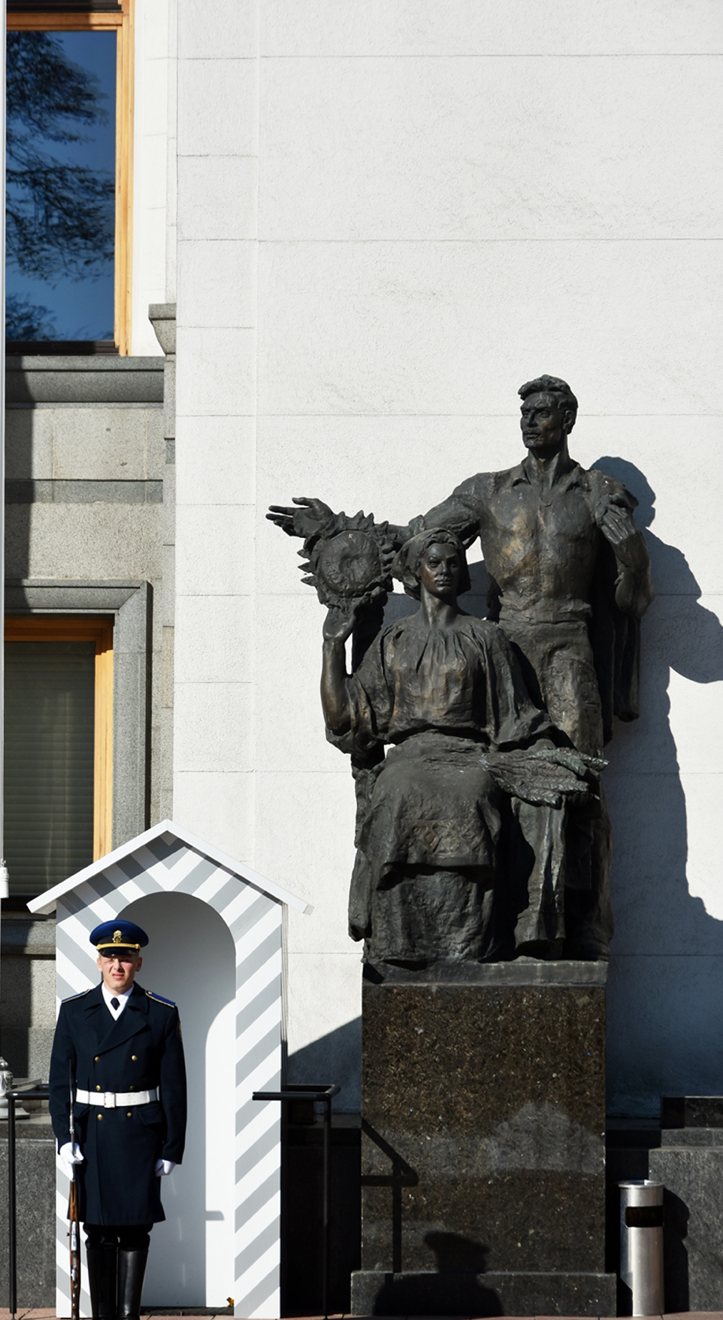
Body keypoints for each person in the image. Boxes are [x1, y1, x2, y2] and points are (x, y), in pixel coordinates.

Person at [269, 374, 653, 957]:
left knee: (580, 786)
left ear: (568, 420)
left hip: (568, 649)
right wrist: (334, 533)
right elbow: (416, 540)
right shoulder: (488, 492)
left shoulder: (598, 493)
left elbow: (632, 602)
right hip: (506, 640)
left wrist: (631, 555)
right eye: (525, 412)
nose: (530, 421)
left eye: (543, 412)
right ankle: (516, 921)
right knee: (501, 786)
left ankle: (582, 926)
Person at [320, 529, 600, 965]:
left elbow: (519, 716)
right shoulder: (393, 641)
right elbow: (344, 720)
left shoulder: (486, 638)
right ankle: (397, 943)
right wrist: (333, 646)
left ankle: (475, 943)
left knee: (471, 798)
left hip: (471, 758)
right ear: (417, 571)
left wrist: (548, 753)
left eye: (453, 563)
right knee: (396, 794)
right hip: (411, 757)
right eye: (434, 563)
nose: (445, 570)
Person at [48, 918, 186, 1320]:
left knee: (135, 1229)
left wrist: (172, 1147)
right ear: (98, 962)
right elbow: (60, 1082)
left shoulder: (160, 1013)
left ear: (138, 963)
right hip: (93, 1135)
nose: (117, 966)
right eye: (109, 957)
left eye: (125, 958)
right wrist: (64, 1138)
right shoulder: (75, 1011)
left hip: (139, 1134)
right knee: (98, 1230)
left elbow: (175, 1087)